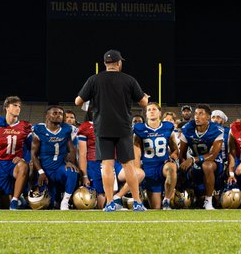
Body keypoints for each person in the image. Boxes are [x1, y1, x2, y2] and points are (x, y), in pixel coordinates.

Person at [75, 49, 148, 212]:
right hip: (123, 127)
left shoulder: (94, 79)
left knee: (107, 165)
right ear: (119, 63)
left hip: (102, 127)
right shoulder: (129, 79)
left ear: (105, 64)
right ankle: (137, 202)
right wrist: (146, 97)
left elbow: (78, 101)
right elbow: (143, 103)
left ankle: (109, 203)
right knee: (128, 165)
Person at [125, 102, 178, 209]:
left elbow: (175, 150)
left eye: (154, 109)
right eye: (149, 110)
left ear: (159, 112)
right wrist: (137, 173)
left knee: (171, 168)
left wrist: (172, 158)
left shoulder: (168, 127)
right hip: (148, 168)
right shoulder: (139, 128)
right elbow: (137, 153)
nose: (151, 111)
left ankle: (167, 200)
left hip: (163, 165)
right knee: (156, 208)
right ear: (146, 114)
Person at [0, 96, 33, 210]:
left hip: (15, 164)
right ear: (6, 107)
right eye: (15, 105)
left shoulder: (25, 126)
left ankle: (15, 200)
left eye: (19, 106)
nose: (18, 108)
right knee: (4, 203)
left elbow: (32, 148)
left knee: (23, 167)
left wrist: (24, 159)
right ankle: (17, 199)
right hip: (0, 165)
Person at [31, 105, 79, 210]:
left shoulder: (67, 129)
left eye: (61, 114)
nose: (58, 116)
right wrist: (40, 172)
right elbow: (33, 154)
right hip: (45, 170)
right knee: (46, 204)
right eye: (55, 113)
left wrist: (70, 161)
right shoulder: (39, 129)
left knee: (72, 171)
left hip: (59, 168)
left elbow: (72, 149)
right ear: (47, 116)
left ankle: (65, 202)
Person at [178, 104, 225, 209]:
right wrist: (184, 169)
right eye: (195, 114)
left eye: (201, 114)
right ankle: (185, 191)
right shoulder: (187, 128)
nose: (197, 116)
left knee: (207, 165)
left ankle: (208, 201)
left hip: (214, 164)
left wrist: (193, 160)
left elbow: (213, 155)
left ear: (208, 117)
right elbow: (182, 154)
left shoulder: (216, 129)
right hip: (195, 164)